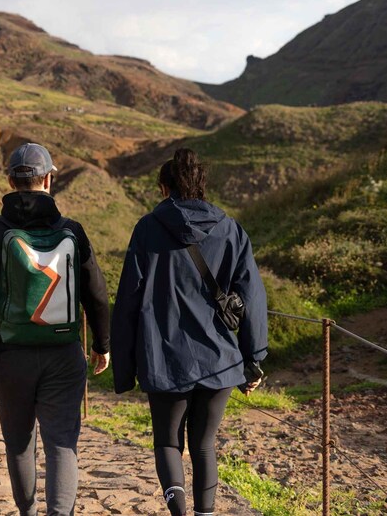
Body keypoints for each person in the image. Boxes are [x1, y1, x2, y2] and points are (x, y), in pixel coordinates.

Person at [111, 148, 268, 516]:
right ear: (200, 186)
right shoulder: (230, 228)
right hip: (218, 360)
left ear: (164, 188)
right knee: (203, 445)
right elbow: (253, 296)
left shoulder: (147, 229)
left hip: (164, 359)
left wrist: (125, 368)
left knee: (167, 443)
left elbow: (128, 303)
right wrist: (254, 359)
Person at [0, 142, 111, 516]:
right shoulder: (72, 230)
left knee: (18, 442)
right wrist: (102, 343)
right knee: (62, 441)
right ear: (48, 180)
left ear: (11, 181)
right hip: (63, 356)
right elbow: (96, 292)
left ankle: (28, 512)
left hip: (11, 357)